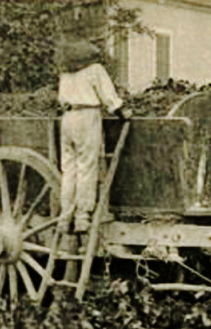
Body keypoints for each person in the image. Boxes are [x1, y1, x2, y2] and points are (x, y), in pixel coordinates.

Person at [57, 38, 131, 233]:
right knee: (86, 166)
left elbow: (61, 98)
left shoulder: (65, 74)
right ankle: (82, 217)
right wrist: (121, 111)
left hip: (66, 118)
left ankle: (64, 217)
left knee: (68, 169)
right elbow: (108, 96)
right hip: (86, 116)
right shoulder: (95, 70)